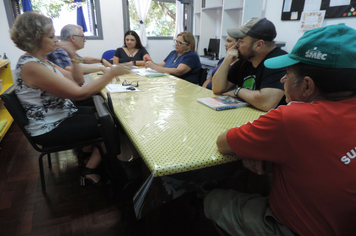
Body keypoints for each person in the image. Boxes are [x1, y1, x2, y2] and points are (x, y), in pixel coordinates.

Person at [204, 23, 356, 236]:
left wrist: (256, 145)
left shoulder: (292, 118)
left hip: (295, 228)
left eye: (287, 74)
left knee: (213, 199)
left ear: (307, 86)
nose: (283, 79)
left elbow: (223, 142)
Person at [10, 12, 130, 187]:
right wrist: (112, 73)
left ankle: (88, 152)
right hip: (49, 127)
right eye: (51, 36)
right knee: (111, 124)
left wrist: (72, 54)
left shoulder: (42, 61)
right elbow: (79, 93)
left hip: (60, 115)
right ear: (36, 40)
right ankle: (89, 171)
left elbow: (77, 80)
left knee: (107, 113)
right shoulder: (32, 66)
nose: (56, 40)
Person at [212, 17, 287, 112]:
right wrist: (226, 61)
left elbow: (266, 103)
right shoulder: (246, 60)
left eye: (241, 41)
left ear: (259, 45)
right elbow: (217, 89)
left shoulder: (279, 61)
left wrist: (238, 91)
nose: (236, 45)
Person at [47, 24, 111, 83]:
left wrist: (101, 60)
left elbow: (83, 60)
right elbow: (69, 69)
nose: (85, 40)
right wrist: (101, 68)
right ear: (73, 38)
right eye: (83, 37)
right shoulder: (60, 50)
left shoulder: (67, 50)